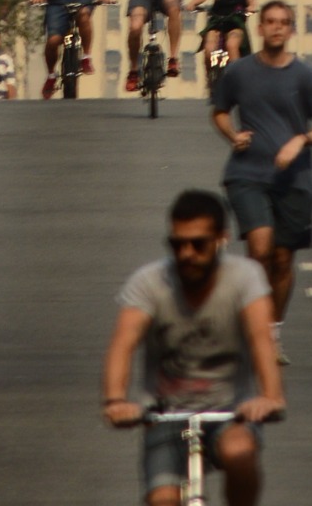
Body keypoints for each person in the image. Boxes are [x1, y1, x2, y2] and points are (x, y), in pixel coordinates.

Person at [101, 190, 286, 506]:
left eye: (198, 244)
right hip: (164, 415)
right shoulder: (149, 282)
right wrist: (116, 401)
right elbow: (123, 343)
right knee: (163, 500)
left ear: (221, 240)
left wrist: (271, 397)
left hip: (230, 413)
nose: (187, 254)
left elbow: (261, 339)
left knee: (240, 453)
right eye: (177, 244)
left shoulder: (244, 278)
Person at [211, 1, 312, 365]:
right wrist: (233, 135)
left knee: (282, 259)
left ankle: (272, 330)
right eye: (270, 22)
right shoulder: (239, 72)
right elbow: (219, 111)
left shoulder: (303, 76)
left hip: (295, 179)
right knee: (260, 247)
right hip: (247, 174)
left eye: (284, 22)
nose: (277, 28)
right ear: (260, 28)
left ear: (292, 30)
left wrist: (301, 140)